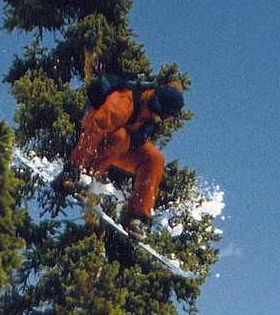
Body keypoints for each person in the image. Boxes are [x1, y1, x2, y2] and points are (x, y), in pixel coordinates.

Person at [54, 75, 185, 238]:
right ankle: (84, 176)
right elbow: (94, 132)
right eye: (165, 117)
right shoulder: (123, 103)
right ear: (157, 108)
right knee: (121, 137)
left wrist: (177, 86)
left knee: (154, 158)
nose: (164, 121)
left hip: (121, 143)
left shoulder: (153, 105)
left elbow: (174, 88)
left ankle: (136, 218)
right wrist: (72, 169)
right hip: (96, 132)